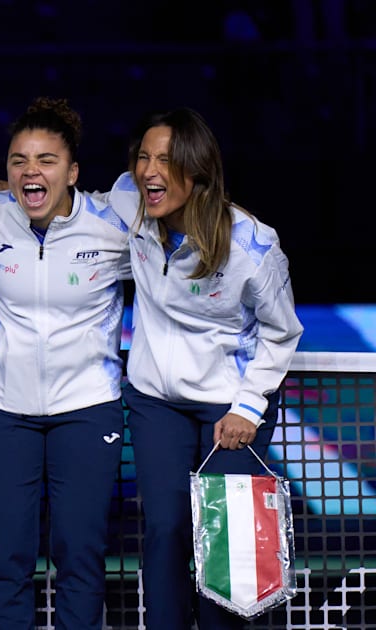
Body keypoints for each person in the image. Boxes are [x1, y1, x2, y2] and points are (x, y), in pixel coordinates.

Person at [106, 108, 304, 630]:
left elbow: (281, 332)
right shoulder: (129, 202)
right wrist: (3, 187)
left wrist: (248, 407)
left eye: (166, 161)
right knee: (166, 529)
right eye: (143, 157)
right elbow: (72, 207)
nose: (148, 171)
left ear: (197, 172)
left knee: (225, 540)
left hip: (229, 403)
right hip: (156, 401)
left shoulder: (252, 244)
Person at [0, 98, 131, 630]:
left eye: (46, 160)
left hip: (87, 409)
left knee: (80, 556)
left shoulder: (113, 225)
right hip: (2, 411)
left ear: (74, 172)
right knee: (5, 557)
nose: (30, 171)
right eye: (18, 161)